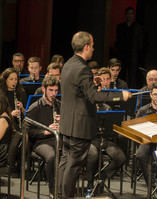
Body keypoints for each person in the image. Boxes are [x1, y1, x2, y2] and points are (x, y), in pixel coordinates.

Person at [58, 31, 131, 198]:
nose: (93, 48)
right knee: (74, 166)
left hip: (68, 124)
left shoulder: (69, 64)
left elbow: (78, 91)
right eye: (92, 45)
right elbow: (95, 97)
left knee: (66, 163)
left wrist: (92, 82)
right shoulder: (82, 68)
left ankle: (60, 194)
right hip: (79, 126)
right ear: (86, 47)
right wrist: (121, 95)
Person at [85, 67, 126, 189]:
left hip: (105, 139)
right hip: (89, 139)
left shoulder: (107, 108)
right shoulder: (86, 106)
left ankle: (101, 178)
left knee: (121, 158)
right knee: (93, 154)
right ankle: (90, 183)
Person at [26, 76, 61, 198]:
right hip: (40, 143)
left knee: (74, 152)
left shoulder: (59, 105)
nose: (54, 94)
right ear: (43, 89)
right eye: (51, 90)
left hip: (57, 140)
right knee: (52, 156)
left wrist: (62, 123)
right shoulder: (35, 107)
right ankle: (53, 190)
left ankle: (66, 187)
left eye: (56, 91)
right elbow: (28, 131)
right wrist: (46, 131)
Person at [136, 82, 157, 189]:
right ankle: (151, 185)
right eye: (156, 95)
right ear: (151, 95)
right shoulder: (143, 110)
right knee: (140, 155)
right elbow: (136, 128)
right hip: (148, 140)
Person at [115, 6, 144, 89]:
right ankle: (121, 89)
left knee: (133, 74)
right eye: (128, 14)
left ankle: (132, 91)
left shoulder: (138, 27)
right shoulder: (120, 27)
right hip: (122, 54)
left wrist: (139, 55)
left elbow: (140, 43)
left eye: (131, 14)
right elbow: (118, 40)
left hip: (133, 54)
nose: (130, 15)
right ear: (125, 15)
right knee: (121, 72)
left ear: (134, 15)